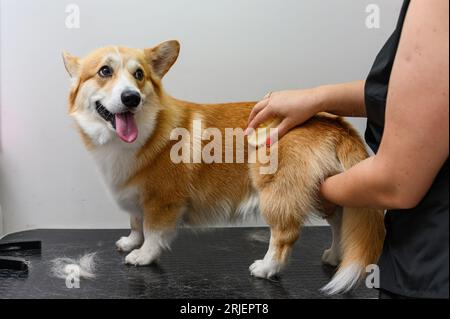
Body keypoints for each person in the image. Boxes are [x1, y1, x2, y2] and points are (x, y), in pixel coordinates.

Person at [246, 0, 448, 299]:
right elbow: (421, 97)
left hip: (431, 265)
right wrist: (319, 97)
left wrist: (306, 190)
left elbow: (397, 183)